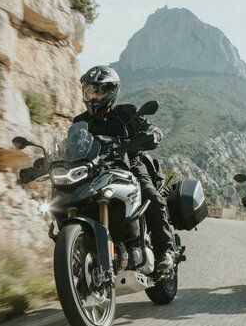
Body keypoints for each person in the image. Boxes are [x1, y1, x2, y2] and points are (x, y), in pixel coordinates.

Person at [73, 65, 173, 272]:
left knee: (151, 197)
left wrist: (152, 135)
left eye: (100, 91)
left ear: (112, 92)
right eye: (90, 91)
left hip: (129, 166)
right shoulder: (79, 122)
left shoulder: (126, 113)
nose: (95, 97)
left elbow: (150, 129)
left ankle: (165, 251)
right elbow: (70, 148)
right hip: (95, 172)